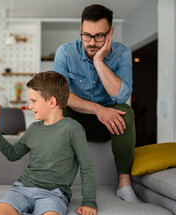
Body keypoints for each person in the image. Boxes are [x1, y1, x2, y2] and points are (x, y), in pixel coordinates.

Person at [0, 71, 97, 215]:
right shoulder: (34, 129)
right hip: (22, 189)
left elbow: (87, 167)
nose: (29, 106)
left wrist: (89, 203)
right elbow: (13, 154)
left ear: (52, 102)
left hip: (54, 194)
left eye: (33, 101)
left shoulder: (72, 128)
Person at [53, 4, 139, 203]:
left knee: (125, 111)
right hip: (77, 119)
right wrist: (99, 109)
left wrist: (99, 61)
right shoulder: (65, 52)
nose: (92, 42)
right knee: (58, 108)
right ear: (81, 31)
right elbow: (60, 94)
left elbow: (121, 97)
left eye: (99, 36)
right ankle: (58, 183)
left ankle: (124, 185)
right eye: (87, 35)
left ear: (110, 33)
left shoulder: (122, 53)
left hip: (107, 124)